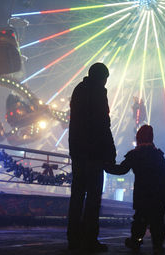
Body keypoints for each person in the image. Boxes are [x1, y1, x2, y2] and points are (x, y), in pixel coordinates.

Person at [67, 63, 116, 252]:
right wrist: (109, 151)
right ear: (101, 77)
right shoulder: (97, 92)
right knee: (94, 198)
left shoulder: (78, 90)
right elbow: (103, 124)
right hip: (93, 153)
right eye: (105, 78)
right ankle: (89, 239)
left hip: (78, 151)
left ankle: (74, 238)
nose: (105, 82)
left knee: (77, 196)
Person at [106, 125, 165, 255]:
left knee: (140, 220)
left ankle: (136, 241)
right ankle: (157, 245)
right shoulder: (158, 155)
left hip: (142, 193)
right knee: (157, 221)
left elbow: (121, 170)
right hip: (158, 194)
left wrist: (106, 166)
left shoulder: (135, 154)